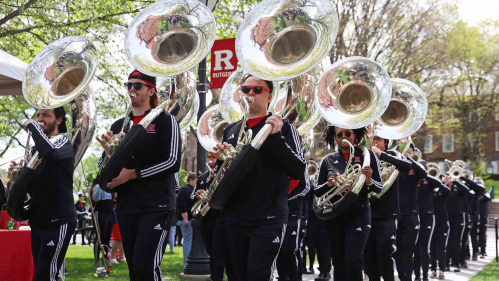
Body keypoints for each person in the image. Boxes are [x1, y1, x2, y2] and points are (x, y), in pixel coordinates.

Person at [213, 75, 306, 280]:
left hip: (268, 217)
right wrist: (219, 164)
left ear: (269, 96)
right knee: (237, 275)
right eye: (245, 89)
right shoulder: (230, 129)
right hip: (234, 216)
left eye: (257, 90)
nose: (250, 94)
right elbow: (224, 174)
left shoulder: (285, 127)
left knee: (258, 275)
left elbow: (299, 171)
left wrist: (276, 136)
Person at [96, 70, 181, 281]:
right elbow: (102, 167)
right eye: (129, 85)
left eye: (137, 85)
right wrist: (109, 157)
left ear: (151, 91)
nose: (131, 89)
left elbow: (172, 162)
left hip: (156, 206)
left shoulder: (165, 120)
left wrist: (133, 174)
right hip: (127, 207)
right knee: (135, 270)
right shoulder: (119, 125)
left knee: (147, 268)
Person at [8, 107, 76, 280]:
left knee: (47, 274)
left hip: (58, 220)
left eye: (46, 115)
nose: (39, 119)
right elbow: (33, 188)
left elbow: (49, 152)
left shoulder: (62, 142)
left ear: (59, 120)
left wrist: (32, 126)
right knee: (40, 273)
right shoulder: (35, 150)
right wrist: (18, 177)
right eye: (38, 115)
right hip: (39, 220)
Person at [315, 125, 383, 281]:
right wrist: (329, 184)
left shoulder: (367, 155)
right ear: (334, 137)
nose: (343, 137)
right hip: (335, 216)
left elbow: (379, 188)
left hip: (359, 214)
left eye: (347, 133)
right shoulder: (328, 160)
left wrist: (368, 180)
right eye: (339, 134)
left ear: (355, 135)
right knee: (338, 263)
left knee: (352, 260)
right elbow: (317, 191)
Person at [364, 136, 412, 281]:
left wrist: (382, 155)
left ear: (385, 143)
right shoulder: (364, 157)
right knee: (368, 256)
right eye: (372, 138)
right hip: (366, 212)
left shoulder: (391, 156)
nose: (374, 141)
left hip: (387, 215)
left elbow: (407, 167)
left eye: (378, 139)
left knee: (385, 253)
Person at [192, 153, 231, 280]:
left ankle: (217, 277)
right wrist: (198, 194)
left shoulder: (224, 174)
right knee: (210, 250)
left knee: (216, 251)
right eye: (209, 156)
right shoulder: (202, 177)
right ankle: (215, 275)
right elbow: (193, 198)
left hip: (219, 216)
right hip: (206, 218)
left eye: (213, 157)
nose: (210, 159)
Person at [395, 148, 427, 281]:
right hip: (396, 214)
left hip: (411, 215)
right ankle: (402, 277)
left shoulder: (415, 168)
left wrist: (409, 159)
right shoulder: (395, 164)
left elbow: (423, 174)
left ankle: (408, 278)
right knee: (397, 252)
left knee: (408, 252)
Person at [276, 168, 310, 281]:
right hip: (277, 213)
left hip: (293, 214)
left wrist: (283, 198)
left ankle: (295, 277)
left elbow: (306, 187)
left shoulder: (300, 164)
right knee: (278, 250)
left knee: (289, 250)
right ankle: (283, 277)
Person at [429, 174, 451, 279]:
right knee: (432, 248)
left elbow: (448, 192)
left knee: (441, 248)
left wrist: (442, 183)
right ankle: (433, 269)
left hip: (442, 223)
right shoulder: (430, 189)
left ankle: (442, 270)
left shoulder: (443, 189)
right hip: (432, 222)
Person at [91, 179, 114, 264]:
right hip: (100, 213)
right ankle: (97, 259)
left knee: (107, 237)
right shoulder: (97, 186)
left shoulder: (111, 188)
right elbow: (95, 198)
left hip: (109, 213)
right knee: (100, 236)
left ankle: (105, 258)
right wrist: (100, 187)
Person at [177, 172, 196, 267]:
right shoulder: (185, 190)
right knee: (188, 241)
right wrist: (185, 218)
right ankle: (187, 263)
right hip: (186, 219)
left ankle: (188, 262)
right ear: (192, 180)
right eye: (196, 180)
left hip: (188, 219)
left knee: (189, 241)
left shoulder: (187, 189)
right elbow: (182, 205)